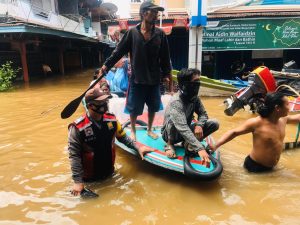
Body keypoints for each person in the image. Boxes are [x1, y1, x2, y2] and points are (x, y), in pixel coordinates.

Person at [99, 0, 172, 141]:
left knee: (153, 106)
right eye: (154, 11)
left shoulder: (160, 34)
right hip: (137, 79)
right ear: (144, 13)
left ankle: (149, 129)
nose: (157, 14)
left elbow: (165, 57)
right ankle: (132, 130)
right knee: (134, 108)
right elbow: (118, 52)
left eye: (157, 12)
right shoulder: (132, 33)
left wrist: (167, 75)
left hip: (154, 79)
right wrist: (106, 66)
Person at [68, 88, 152, 196]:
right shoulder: (78, 127)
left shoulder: (112, 120)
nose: (104, 105)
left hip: (109, 173)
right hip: (89, 180)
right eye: (99, 103)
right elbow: (74, 155)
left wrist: (138, 147)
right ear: (90, 106)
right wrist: (77, 182)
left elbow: (123, 138)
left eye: (105, 102)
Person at [211, 92, 300, 173]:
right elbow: (234, 132)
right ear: (277, 108)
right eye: (287, 104)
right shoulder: (256, 123)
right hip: (254, 167)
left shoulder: (283, 119)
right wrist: (215, 145)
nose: (290, 107)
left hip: (272, 168)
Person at [161, 68, 219, 165]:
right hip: (170, 134)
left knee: (214, 123)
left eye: (199, 81)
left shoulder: (194, 98)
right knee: (174, 120)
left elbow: (203, 114)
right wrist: (200, 148)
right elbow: (182, 127)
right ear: (185, 84)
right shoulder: (176, 101)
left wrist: (199, 125)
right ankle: (169, 145)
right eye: (196, 81)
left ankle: (186, 143)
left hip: (185, 130)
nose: (198, 84)